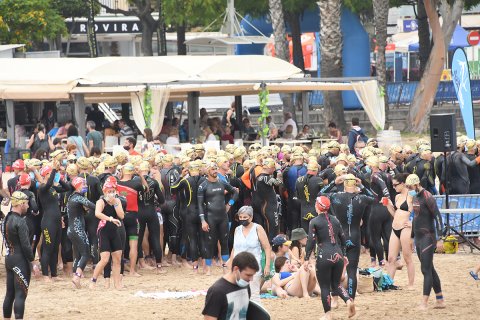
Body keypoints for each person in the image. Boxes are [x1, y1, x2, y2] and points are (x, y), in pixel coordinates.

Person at [320, 173, 374, 300]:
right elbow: (374, 198)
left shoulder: (335, 196)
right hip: (355, 236)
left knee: (335, 270)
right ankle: (351, 300)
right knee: (351, 271)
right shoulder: (362, 198)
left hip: (339, 237)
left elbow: (320, 195)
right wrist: (362, 185)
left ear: (343, 183)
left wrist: (334, 182)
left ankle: (335, 300)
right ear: (355, 183)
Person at [305, 196, 355, 319]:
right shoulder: (336, 220)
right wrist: (344, 255)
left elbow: (311, 241)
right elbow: (344, 240)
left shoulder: (314, 221)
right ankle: (349, 301)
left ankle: (327, 314)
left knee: (325, 286)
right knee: (337, 284)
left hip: (324, 255)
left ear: (317, 206)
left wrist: (306, 258)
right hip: (337, 254)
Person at [405, 174, 445, 310]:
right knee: (430, 269)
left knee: (425, 269)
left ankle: (424, 303)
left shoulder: (428, 197)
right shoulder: (415, 196)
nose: (409, 189)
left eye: (410, 187)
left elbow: (438, 217)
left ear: (416, 184)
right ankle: (440, 299)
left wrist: (439, 239)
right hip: (419, 237)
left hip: (428, 237)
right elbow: (415, 218)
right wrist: (411, 237)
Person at [198, 162, 238, 275]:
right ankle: (208, 268)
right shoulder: (203, 185)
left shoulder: (222, 182)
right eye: (212, 169)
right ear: (207, 171)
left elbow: (235, 192)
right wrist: (202, 221)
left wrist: (229, 204)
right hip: (210, 217)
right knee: (210, 243)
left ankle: (225, 267)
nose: (215, 171)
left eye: (216, 169)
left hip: (223, 217)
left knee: (224, 242)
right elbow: (200, 205)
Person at [2, 192, 34, 320]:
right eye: (26, 203)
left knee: (9, 294)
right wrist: (33, 261)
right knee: (21, 294)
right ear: (20, 204)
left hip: (9, 258)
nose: (27, 206)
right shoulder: (20, 222)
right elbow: (26, 246)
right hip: (20, 260)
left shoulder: (6, 218)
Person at [229, 206, 271, 301]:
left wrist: (267, 265)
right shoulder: (237, 229)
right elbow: (234, 249)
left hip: (253, 265)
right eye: (240, 217)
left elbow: (267, 247)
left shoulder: (258, 228)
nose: (242, 219)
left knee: (253, 294)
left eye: (245, 217)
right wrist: (230, 265)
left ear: (251, 217)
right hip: (238, 267)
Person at [202, 252, 259, 320]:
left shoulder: (245, 285)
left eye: (252, 275)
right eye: (248, 275)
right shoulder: (217, 291)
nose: (251, 279)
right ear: (236, 269)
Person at [90, 178, 125, 290]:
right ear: (104, 192)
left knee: (117, 258)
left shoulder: (117, 201)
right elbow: (97, 213)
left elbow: (122, 216)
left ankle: (117, 284)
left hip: (114, 232)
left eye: (113, 191)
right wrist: (110, 219)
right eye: (109, 191)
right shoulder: (101, 202)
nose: (111, 193)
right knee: (105, 259)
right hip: (103, 231)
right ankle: (93, 280)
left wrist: (115, 203)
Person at [385, 173, 415, 288]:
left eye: (395, 185)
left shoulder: (412, 195)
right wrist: (388, 206)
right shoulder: (397, 197)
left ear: (403, 184)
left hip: (405, 228)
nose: (394, 187)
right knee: (391, 258)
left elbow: (420, 211)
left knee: (407, 257)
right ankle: (389, 283)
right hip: (395, 227)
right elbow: (395, 214)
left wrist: (413, 222)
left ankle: (411, 284)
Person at [67, 177, 96, 288]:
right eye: (83, 184)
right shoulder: (78, 197)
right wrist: (105, 202)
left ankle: (76, 277)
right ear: (78, 185)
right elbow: (92, 206)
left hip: (71, 230)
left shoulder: (72, 197)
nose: (85, 186)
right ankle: (77, 277)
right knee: (85, 254)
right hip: (77, 229)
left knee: (78, 255)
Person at [251, 158, 281, 240]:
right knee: (272, 227)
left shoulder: (261, 177)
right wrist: (279, 171)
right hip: (269, 207)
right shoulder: (265, 178)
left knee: (272, 226)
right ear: (269, 168)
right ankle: (271, 246)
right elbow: (278, 183)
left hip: (267, 205)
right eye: (273, 168)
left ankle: (271, 245)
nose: (274, 170)